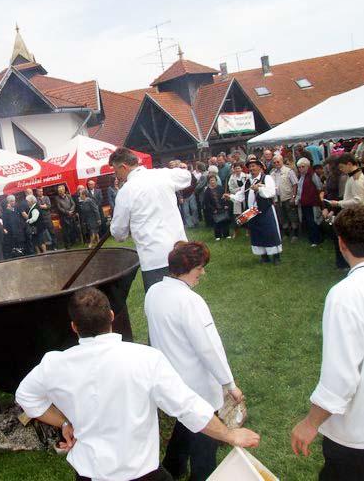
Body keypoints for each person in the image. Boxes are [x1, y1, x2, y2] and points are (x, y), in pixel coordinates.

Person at [16, 288, 260, 481]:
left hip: (89, 473)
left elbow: (25, 396)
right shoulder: (146, 359)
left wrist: (65, 422)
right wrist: (230, 435)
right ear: (111, 317)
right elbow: (188, 407)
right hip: (142, 474)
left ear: (74, 327)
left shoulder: (54, 364)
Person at [291, 206, 364, 480]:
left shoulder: (346, 294)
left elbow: (341, 377)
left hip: (363, 435)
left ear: (342, 244)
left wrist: (310, 423)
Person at [145, 242, 244, 479]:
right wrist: (230, 384)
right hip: (196, 383)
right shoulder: (190, 301)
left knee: (184, 423)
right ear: (188, 267)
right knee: (205, 437)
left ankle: (171, 469)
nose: (203, 272)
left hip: (170, 377)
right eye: (200, 268)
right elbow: (209, 349)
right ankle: (202, 476)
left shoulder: (154, 292)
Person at [109, 147, 191, 292]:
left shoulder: (125, 192)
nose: (116, 176)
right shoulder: (162, 174)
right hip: (180, 250)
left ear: (123, 167)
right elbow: (186, 176)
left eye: (116, 171)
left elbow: (118, 233)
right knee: (184, 299)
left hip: (154, 258)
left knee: (159, 306)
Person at [226, 158, 282, 264]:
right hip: (253, 212)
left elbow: (271, 192)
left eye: (253, 166)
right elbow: (241, 195)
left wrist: (259, 189)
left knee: (270, 232)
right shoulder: (248, 181)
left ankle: (276, 256)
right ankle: (264, 256)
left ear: (260, 167)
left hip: (266, 210)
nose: (251, 169)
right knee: (257, 233)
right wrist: (231, 197)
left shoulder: (267, 178)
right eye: (250, 167)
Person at [270, 155, 299, 242]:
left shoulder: (289, 171)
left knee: (292, 216)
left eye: (278, 162)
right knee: (282, 217)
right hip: (277, 199)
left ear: (282, 161)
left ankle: (295, 235)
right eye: (274, 162)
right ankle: (286, 234)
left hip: (288, 197)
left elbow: (295, 184)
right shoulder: (272, 173)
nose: (276, 164)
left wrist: (293, 197)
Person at [295, 157, 324, 247]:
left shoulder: (313, 175)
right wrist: (297, 199)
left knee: (314, 221)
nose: (300, 169)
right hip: (304, 203)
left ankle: (317, 239)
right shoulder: (301, 176)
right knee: (308, 221)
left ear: (308, 166)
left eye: (302, 167)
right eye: (299, 167)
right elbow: (300, 189)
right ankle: (312, 238)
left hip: (312, 203)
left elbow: (319, 187)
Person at [203, 175, 231, 241]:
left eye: (214, 180)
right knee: (216, 222)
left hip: (223, 207)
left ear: (216, 180)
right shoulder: (207, 191)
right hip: (214, 209)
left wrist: (226, 204)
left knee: (225, 221)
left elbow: (225, 197)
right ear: (209, 182)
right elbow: (207, 202)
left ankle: (226, 234)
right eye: (211, 180)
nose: (212, 182)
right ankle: (218, 235)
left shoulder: (221, 188)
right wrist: (213, 209)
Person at [227, 162, 247, 238]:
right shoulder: (232, 177)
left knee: (246, 213)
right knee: (237, 215)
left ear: (241, 169)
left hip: (245, 198)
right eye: (236, 168)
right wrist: (239, 189)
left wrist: (243, 190)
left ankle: (247, 230)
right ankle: (236, 231)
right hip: (236, 198)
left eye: (239, 168)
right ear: (234, 169)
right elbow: (230, 188)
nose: (237, 170)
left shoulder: (246, 176)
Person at [55, 185, 78, 249]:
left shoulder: (68, 196)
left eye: (62, 190)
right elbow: (59, 208)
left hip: (71, 216)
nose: (60, 192)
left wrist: (71, 211)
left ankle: (72, 242)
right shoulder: (57, 198)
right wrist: (67, 212)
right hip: (63, 217)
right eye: (59, 191)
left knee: (71, 229)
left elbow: (73, 204)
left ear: (64, 190)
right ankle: (67, 245)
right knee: (65, 232)